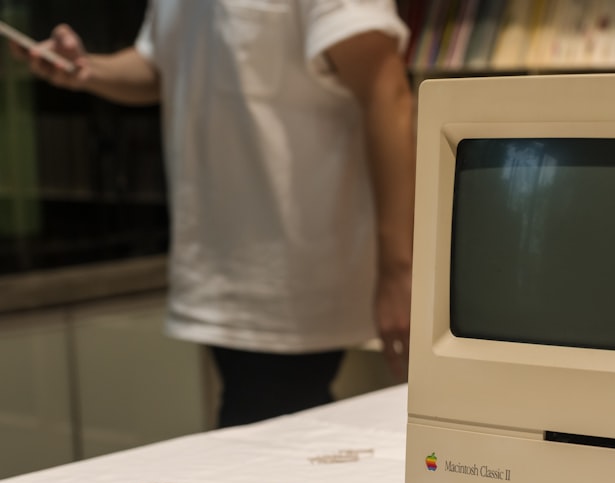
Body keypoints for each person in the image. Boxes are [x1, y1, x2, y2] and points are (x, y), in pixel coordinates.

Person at [13, 1, 416, 426]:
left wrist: (399, 270)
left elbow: (386, 92)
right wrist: (87, 69)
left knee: (276, 445)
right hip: (220, 266)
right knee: (265, 447)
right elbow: (162, 65)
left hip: (294, 275)